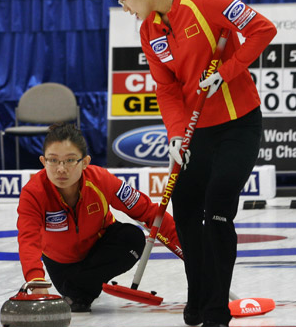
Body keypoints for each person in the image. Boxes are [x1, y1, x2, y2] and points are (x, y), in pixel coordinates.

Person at [109, 0, 277, 327]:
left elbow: (261, 29)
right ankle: (199, 294)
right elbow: (166, 89)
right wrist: (175, 136)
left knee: (218, 206)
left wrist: (228, 71)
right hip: (195, 132)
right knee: (185, 207)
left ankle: (218, 312)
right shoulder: (150, 31)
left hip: (238, 125)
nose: (124, 8)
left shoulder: (204, 1)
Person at [16, 123, 182, 312]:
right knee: (77, 298)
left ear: (85, 162)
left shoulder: (102, 180)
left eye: (70, 160)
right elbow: (28, 239)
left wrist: (193, 255)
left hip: (100, 251)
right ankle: (79, 290)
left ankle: (79, 290)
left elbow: (150, 213)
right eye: (53, 160)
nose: (61, 169)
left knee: (132, 237)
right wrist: (36, 281)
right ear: (43, 161)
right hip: (61, 265)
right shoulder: (33, 192)